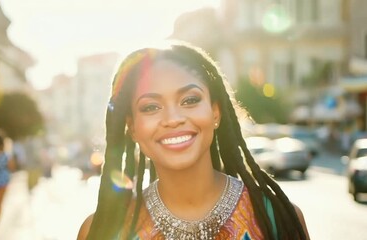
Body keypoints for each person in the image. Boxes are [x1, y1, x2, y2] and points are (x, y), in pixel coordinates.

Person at [77, 42, 310, 240]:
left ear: (215, 112)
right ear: (133, 128)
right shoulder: (103, 231)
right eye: (150, 107)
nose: (173, 119)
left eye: (189, 100)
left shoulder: (277, 220)